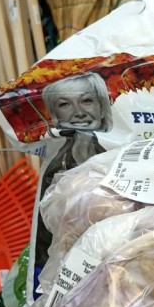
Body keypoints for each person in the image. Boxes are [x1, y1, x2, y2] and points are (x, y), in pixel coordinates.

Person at [34, 72, 114, 273]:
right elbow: (49, 236)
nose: (79, 112)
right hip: (71, 267)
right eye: (65, 104)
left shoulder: (116, 153)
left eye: (86, 101)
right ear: (55, 116)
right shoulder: (58, 169)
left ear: (102, 107)